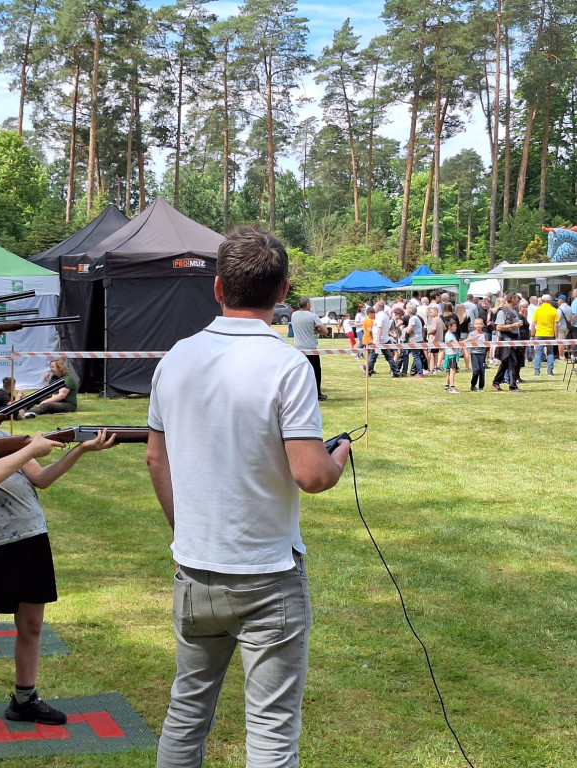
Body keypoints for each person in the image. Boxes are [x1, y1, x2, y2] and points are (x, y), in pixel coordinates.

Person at [146, 225, 351, 768]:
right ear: (283, 293)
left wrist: (183, 531)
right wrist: (338, 460)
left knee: (186, 713)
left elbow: (155, 459)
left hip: (196, 569)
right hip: (267, 575)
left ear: (217, 288)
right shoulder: (287, 364)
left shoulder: (175, 359)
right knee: (272, 730)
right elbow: (310, 475)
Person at [0, 377, 116, 744]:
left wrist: (77, 449)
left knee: (31, 625)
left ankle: (25, 698)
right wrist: (30, 447)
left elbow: (42, 479)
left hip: (33, 540)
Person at [289, 298, 330, 400]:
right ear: (308, 304)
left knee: (299, 372)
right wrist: (317, 330)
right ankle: (317, 393)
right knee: (316, 371)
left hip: (298, 348)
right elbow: (325, 331)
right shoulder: (312, 316)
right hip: (310, 348)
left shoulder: (294, 315)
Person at [490, 292, 524, 393]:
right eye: (517, 298)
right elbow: (498, 327)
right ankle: (512, 386)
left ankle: (496, 383)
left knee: (505, 363)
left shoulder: (513, 311)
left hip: (514, 339)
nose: (518, 300)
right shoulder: (503, 311)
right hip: (507, 340)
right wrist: (514, 325)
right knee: (512, 362)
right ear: (513, 299)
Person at [367, 301, 401, 377]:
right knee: (389, 357)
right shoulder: (384, 315)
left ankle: (368, 373)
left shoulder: (379, 316)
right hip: (384, 339)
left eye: (375, 307)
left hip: (379, 340)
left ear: (378, 308)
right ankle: (396, 372)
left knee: (372, 357)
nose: (374, 308)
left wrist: (378, 340)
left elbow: (379, 328)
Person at [532, 293, 558, 376]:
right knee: (550, 352)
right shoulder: (553, 310)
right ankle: (550, 371)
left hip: (539, 333)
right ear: (550, 301)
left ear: (542, 301)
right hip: (550, 334)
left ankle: (537, 371)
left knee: (538, 353)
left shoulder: (537, 310)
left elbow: (533, 323)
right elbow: (556, 324)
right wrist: (556, 336)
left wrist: (532, 335)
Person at [403, 304, 425, 377]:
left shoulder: (413, 319)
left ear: (409, 310)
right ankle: (404, 371)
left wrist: (406, 330)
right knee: (406, 354)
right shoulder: (415, 318)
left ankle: (420, 373)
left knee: (415, 356)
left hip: (414, 340)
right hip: (415, 339)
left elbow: (409, 330)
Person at [468, 318, 488, 391]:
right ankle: (473, 385)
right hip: (474, 353)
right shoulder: (472, 334)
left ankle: (481, 386)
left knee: (482, 371)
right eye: (477, 324)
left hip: (482, 354)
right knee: (476, 370)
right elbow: (468, 342)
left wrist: (487, 357)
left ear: (483, 325)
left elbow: (487, 345)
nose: (478, 325)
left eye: (480, 324)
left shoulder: (485, 334)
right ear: (474, 325)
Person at [443, 319, 461, 393]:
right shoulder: (449, 335)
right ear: (449, 327)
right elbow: (456, 343)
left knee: (450, 371)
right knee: (453, 370)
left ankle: (447, 385)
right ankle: (452, 387)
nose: (456, 327)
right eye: (454, 326)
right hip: (451, 355)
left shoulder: (452, 334)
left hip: (452, 354)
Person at [556, 294, 574, 361]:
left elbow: (559, 318)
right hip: (567, 326)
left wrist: (555, 325)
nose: (557, 301)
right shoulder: (569, 308)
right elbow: (572, 317)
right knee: (564, 341)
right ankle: (565, 355)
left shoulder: (559, 309)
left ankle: (561, 356)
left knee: (560, 342)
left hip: (561, 326)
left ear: (561, 300)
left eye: (558, 300)